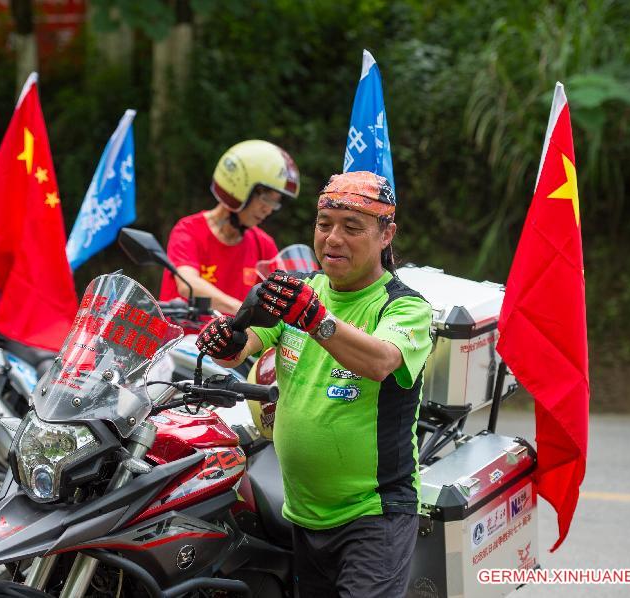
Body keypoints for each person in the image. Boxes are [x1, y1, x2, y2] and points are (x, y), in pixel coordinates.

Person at [195, 171, 433, 597]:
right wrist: (222, 340)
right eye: (325, 226)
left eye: (352, 228)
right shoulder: (302, 290)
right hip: (304, 513)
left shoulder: (404, 305)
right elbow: (242, 347)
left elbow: (380, 360)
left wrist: (316, 319)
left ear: (386, 235)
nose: (333, 238)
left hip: (373, 515)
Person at [159, 140, 300, 314]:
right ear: (240, 188)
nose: (269, 209)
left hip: (233, 341)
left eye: (275, 203)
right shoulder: (188, 230)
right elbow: (188, 285)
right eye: (266, 199)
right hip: (183, 336)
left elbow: (280, 296)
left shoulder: (264, 245)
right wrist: (244, 311)